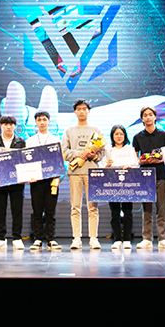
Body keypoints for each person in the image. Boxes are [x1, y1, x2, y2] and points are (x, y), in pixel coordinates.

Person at [61, 99, 104, 249]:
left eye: (84, 109)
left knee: (93, 207)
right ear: (75, 111)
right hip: (75, 172)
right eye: (78, 109)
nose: (81, 111)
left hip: (92, 172)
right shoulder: (69, 131)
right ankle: (76, 238)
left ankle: (93, 238)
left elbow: (102, 153)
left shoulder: (96, 130)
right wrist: (79, 153)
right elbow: (64, 152)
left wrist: (94, 155)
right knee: (75, 206)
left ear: (88, 111)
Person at [133, 106, 165, 249]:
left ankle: (163, 238)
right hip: (144, 176)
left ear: (155, 117)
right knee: (146, 208)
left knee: (161, 207)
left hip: (160, 175)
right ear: (142, 119)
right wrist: (141, 161)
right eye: (145, 115)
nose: (148, 117)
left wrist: (158, 160)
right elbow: (135, 158)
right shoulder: (137, 137)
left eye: (150, 114)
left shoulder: (164, 135)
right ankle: (147, 238)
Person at [0, 115, 27, 250]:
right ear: (1, 126)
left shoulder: (21, 142)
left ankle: (17, 238)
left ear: (15, 126)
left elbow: (24, 160)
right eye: (5, 124)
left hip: (16, 182)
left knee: (17, 211)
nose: (8, 127)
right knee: (0, 211)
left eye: (11, 124)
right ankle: (0, 238)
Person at [28, 111, 61, 251]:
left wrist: (57, 177)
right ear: (36, 122)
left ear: (49, 121)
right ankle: (37, 239)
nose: (42, 122)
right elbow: (26, 161)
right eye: (39, 120)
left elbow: (59, 160)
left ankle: (51, 239)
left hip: (51, 180)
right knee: (37, 211)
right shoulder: (30, 141)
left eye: (44, 119)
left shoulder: (56, 139)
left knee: (50, 211)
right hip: (36, 180)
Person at [106, 124, 136, 250]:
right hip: (113, 184)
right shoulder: (108, 150)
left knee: (128, 212)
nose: (119, 136)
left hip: (127, 184)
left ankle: (127, 239)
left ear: (125, 136)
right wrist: (107, 165)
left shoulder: (130, 149)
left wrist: (130, 167)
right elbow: (102, 167)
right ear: (112, 136)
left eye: (121, 134)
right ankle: (117, 239)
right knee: (115, 213)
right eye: (116, 134)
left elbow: (136, 165)